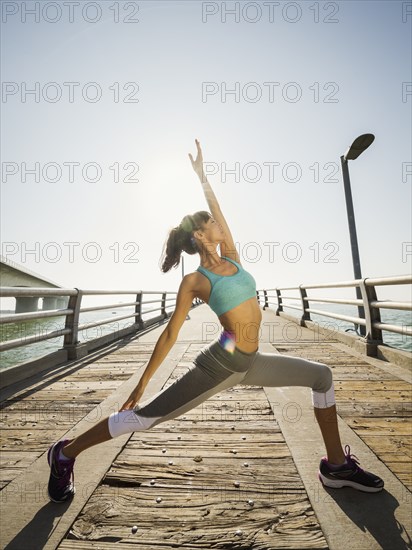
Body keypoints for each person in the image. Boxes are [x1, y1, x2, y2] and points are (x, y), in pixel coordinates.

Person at [47, 139, 384, 503]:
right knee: (143, 418)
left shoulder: (234, 258)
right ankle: (65, 453)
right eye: (211, 223)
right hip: (220, 366)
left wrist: (203, 176)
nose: (219, 224)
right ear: (199, 234)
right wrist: (140, 384)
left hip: (251, 362)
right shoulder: (195, 281)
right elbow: (171, 333)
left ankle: (336, 467)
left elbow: (217, 209)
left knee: (322, 376)